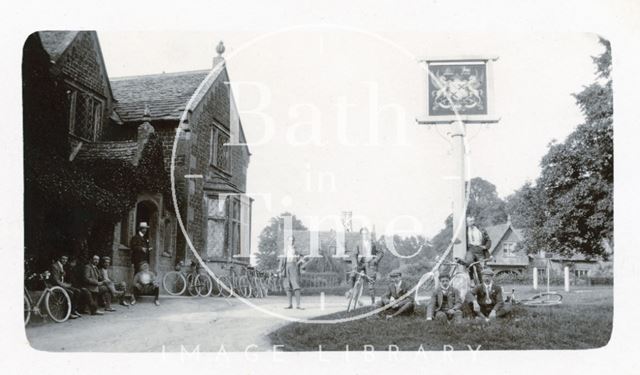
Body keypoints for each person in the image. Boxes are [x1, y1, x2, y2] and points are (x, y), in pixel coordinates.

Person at [351, 227, 384, 305]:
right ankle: (353, 295)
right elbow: (353, 254)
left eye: (365, 233)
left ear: (368, 234)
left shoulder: (373, 243)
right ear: (361, 235)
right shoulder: (358, 243)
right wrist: (355, 264)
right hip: (361, 263)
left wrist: (375, 260)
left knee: (370, 283)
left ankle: (373, 302)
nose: (364, 235)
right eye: (362, 234)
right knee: (353, 276)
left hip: (370, 264)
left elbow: (381, 252)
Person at [50, 255, 87, 319]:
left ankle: (73, 310)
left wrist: (67, 284)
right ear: (59, 259)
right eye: (63, 259)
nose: (65, 261)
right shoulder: (55, 266)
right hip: (56, 286)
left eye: (66, 259)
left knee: (77, 291)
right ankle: (69, 313)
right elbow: (56, 280)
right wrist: (65, 285)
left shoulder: (62, 266)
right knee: (70, 293)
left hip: (62, 285)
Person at [278, 235, 308, 310]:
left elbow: (303, 258)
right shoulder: (284, 250)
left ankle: (298, 305)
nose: (291, 242)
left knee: (296, 285)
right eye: (289, 240)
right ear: (287, 241)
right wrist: (279, 269)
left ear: (294, 241)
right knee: (287, 286)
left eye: (292, 240)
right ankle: (289, 304)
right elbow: (282, 260)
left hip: (294, 267)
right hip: (286, 267)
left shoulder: (297, 250)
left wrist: (299, 263)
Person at [463, 215, 492, 283]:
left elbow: (488, 240)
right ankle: (472, 280)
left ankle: (483, 284)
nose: (472, 223)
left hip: (480, 249)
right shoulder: (465, 230)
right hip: (471, 249)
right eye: (470, 221)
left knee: (481, 268)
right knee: (468, 262)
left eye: (473, 221)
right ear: (467, 222)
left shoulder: (480, 229)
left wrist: (485, 247)